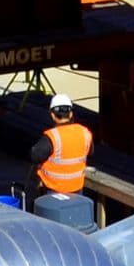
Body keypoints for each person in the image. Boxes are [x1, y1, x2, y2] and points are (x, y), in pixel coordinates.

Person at [30, 94, 96, 229]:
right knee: (76, 226)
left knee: (53, 229)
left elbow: (35, 155)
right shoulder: (85, 133)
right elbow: (91, 153)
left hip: (53, 193)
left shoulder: (52, 137)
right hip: (77, 191)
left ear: (53, 115)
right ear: (71, 113)